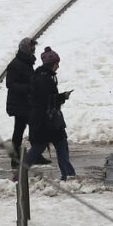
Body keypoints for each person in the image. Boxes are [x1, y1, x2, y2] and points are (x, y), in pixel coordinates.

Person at [27, 46, 76, 180]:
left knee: (59, 144)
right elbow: (46, 100)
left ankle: (69, 175)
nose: (58, 67)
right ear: (51, 64)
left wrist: (61, 97)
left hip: (47, 120)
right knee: (40, 147)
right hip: (46, 121)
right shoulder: (44, 78)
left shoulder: (44, 76)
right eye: (56, 64)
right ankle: (19, 174)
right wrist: (62, 97)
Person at [5, 37, 48, 168]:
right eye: (32, 48)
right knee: (22, 131)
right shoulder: (16, 64)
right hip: (20, 104)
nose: (34, 50)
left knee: (30, 129)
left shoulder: (27, 62)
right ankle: (18, 159)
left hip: (27, 103)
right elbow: (10, 84)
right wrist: (27, 88)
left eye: (34, 48)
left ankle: (29, 156)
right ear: (26, 49)